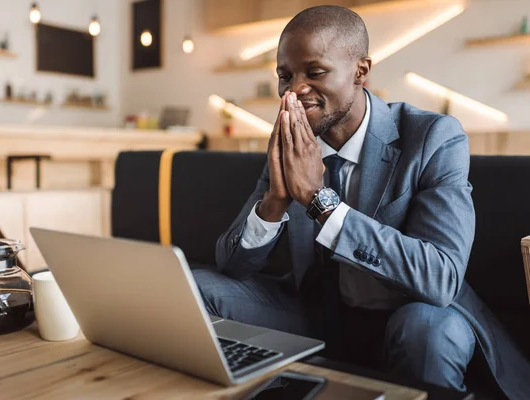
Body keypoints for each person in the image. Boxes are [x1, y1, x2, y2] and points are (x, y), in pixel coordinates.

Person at [192, 5, 530, 400]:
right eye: (285, 76)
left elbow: (441, 277)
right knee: (199, 288)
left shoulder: (434, 136)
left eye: (314, 72)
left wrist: (319, 202)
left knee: (426, 327)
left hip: (410, 316)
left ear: (361, 70)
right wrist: (274, 201)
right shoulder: (293, 142)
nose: (294, 90)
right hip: (323, 315)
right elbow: (232, 263)